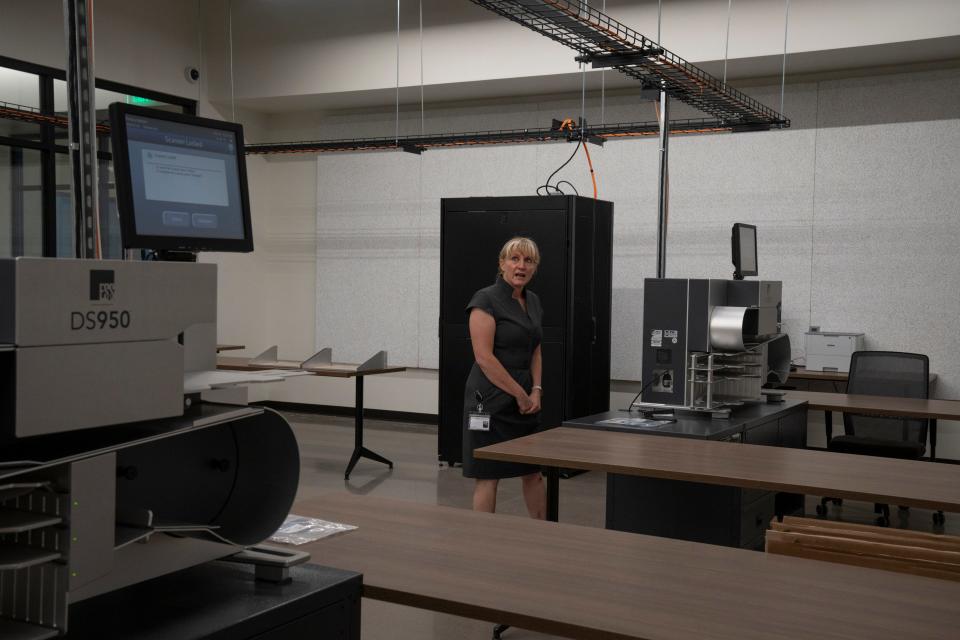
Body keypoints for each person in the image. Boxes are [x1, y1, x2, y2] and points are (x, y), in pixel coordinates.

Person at [462, 236, 545, 518]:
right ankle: (482, 541)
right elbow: (484, 358)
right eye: (514, 259)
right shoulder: (484, 300)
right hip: (490, 396)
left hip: (525, 396)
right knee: (488, 474)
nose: (521, 266)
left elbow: (535, 350)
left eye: (528, 260)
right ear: (502, 264)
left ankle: (543, 534)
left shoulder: (532, 301)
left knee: (533, 471)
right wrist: (519, 394)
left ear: (535, 267)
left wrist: (535, 389)